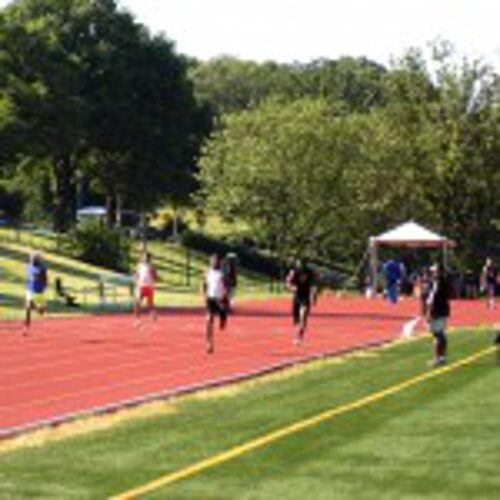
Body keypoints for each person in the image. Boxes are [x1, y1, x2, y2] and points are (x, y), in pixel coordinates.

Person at [286, 259, 317, 345]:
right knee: (296, 321)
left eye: (301, 264)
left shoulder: (310, 273)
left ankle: (299, 337)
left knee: (303, 317)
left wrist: (313, 297)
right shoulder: (294, 272)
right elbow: (288, 282)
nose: (299, 266)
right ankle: (298, 332)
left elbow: (314, 286)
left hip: (305, 298)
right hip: (297, 298)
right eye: (298, 264)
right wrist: (292, 288)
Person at [202, 254, 228, 354]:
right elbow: (204, 284)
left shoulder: (222, 273)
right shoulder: (207, 272)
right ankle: (209, 344)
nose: (214, 263)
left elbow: (226, 286)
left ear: (219, 262)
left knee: (222, 313)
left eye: (216, 261)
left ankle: (223, 317)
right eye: (212, 261)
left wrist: (224, 296)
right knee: (209, 320)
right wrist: (204, 295)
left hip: (220, 299)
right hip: (210, 298)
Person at [426, 263, 451, 367]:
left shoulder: (438, 282)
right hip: (443, 309)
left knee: (437, 335)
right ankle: (442, 357)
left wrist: (430, 312)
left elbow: (433, 298)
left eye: (434, 271)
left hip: (437, 311)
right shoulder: (444, 281)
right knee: (441, 334)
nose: (432, 273)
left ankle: (438, 358)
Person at [24, 252, 48, 334]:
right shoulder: (29, 266)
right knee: (27, 307)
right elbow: (29, 276)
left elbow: (45, 279)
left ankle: (37, 309)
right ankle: (26, 326)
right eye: (31, 258)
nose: (31, 259)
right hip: (30, 289)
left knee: (41, 311)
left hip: (39, 291)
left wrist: (42, 284)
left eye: (33, 258)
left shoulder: (42, 268)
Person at [133, 252, 158, 326]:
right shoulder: (139, 265)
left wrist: (153, 273)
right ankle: (137, 320)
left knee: (150, 304)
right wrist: (136, 280)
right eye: (144, 257)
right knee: (137, 303)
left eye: (147, 258)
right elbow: (136, 274)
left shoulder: (151, 266)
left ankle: (153, 313)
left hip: (149, 287)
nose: (145, 259)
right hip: (141, 286)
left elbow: (155, 277)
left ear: (150, 259)